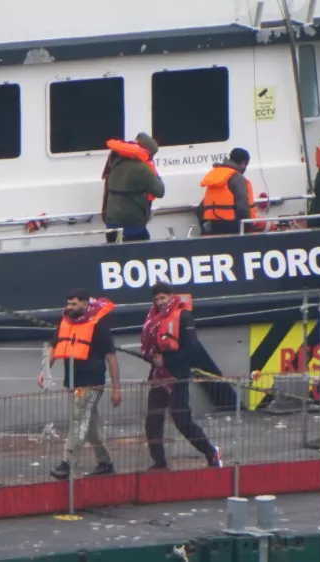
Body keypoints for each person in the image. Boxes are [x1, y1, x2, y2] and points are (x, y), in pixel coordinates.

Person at [141, 283, 222, 470]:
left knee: (182, 420)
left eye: (163, 298)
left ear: (171, 297)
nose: (160, 302)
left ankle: (210, 452)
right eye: (156, 299)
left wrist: (166, 361)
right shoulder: (152, 320)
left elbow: (192, 350)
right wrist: (152, 358)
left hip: (178, 376)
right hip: (158, 376)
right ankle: (159, 462)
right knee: (152, 419)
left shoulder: (184, 317)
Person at [44, 288, 122, 480]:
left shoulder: (99, 325)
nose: (69, 307)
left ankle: (67, 463)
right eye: (68, 303)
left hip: (92, 382)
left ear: (85, 304)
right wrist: (44, 371)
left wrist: (116, 389)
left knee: (79, 420)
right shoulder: (66, 322)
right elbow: (54, 347)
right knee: (90, 423)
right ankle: (106, 462)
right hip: (73, 381)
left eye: (74, 303)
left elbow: (111, 358)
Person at [101, 133, 165, 242]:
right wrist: (154, 171)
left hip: (111, 224)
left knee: (114, 256)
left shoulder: (115, 161)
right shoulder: (143, 169)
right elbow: (160, 191)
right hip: (132, 226)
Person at [197, 147, 254, 235]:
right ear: (243, 163)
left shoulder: (216, 175)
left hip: (211, 228)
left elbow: (200, 209)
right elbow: (243, 208)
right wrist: (248, 227)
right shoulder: (237, 177)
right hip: (231, 229)